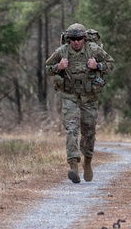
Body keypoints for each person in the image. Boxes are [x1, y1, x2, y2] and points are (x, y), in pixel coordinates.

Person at [45, 23, 115, 183]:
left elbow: (111, 64)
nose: (76, 42)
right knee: (71, 130)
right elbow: (48, 68)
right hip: (70, 96)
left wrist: (98, 65)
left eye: (79, 39)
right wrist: (58, 66)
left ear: (84, 38)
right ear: (69, 40)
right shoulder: (62, 52)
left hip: (89, 98)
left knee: (89, 132)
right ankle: (73, 166)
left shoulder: (94, 50)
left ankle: (88, 161)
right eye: (73, 39)